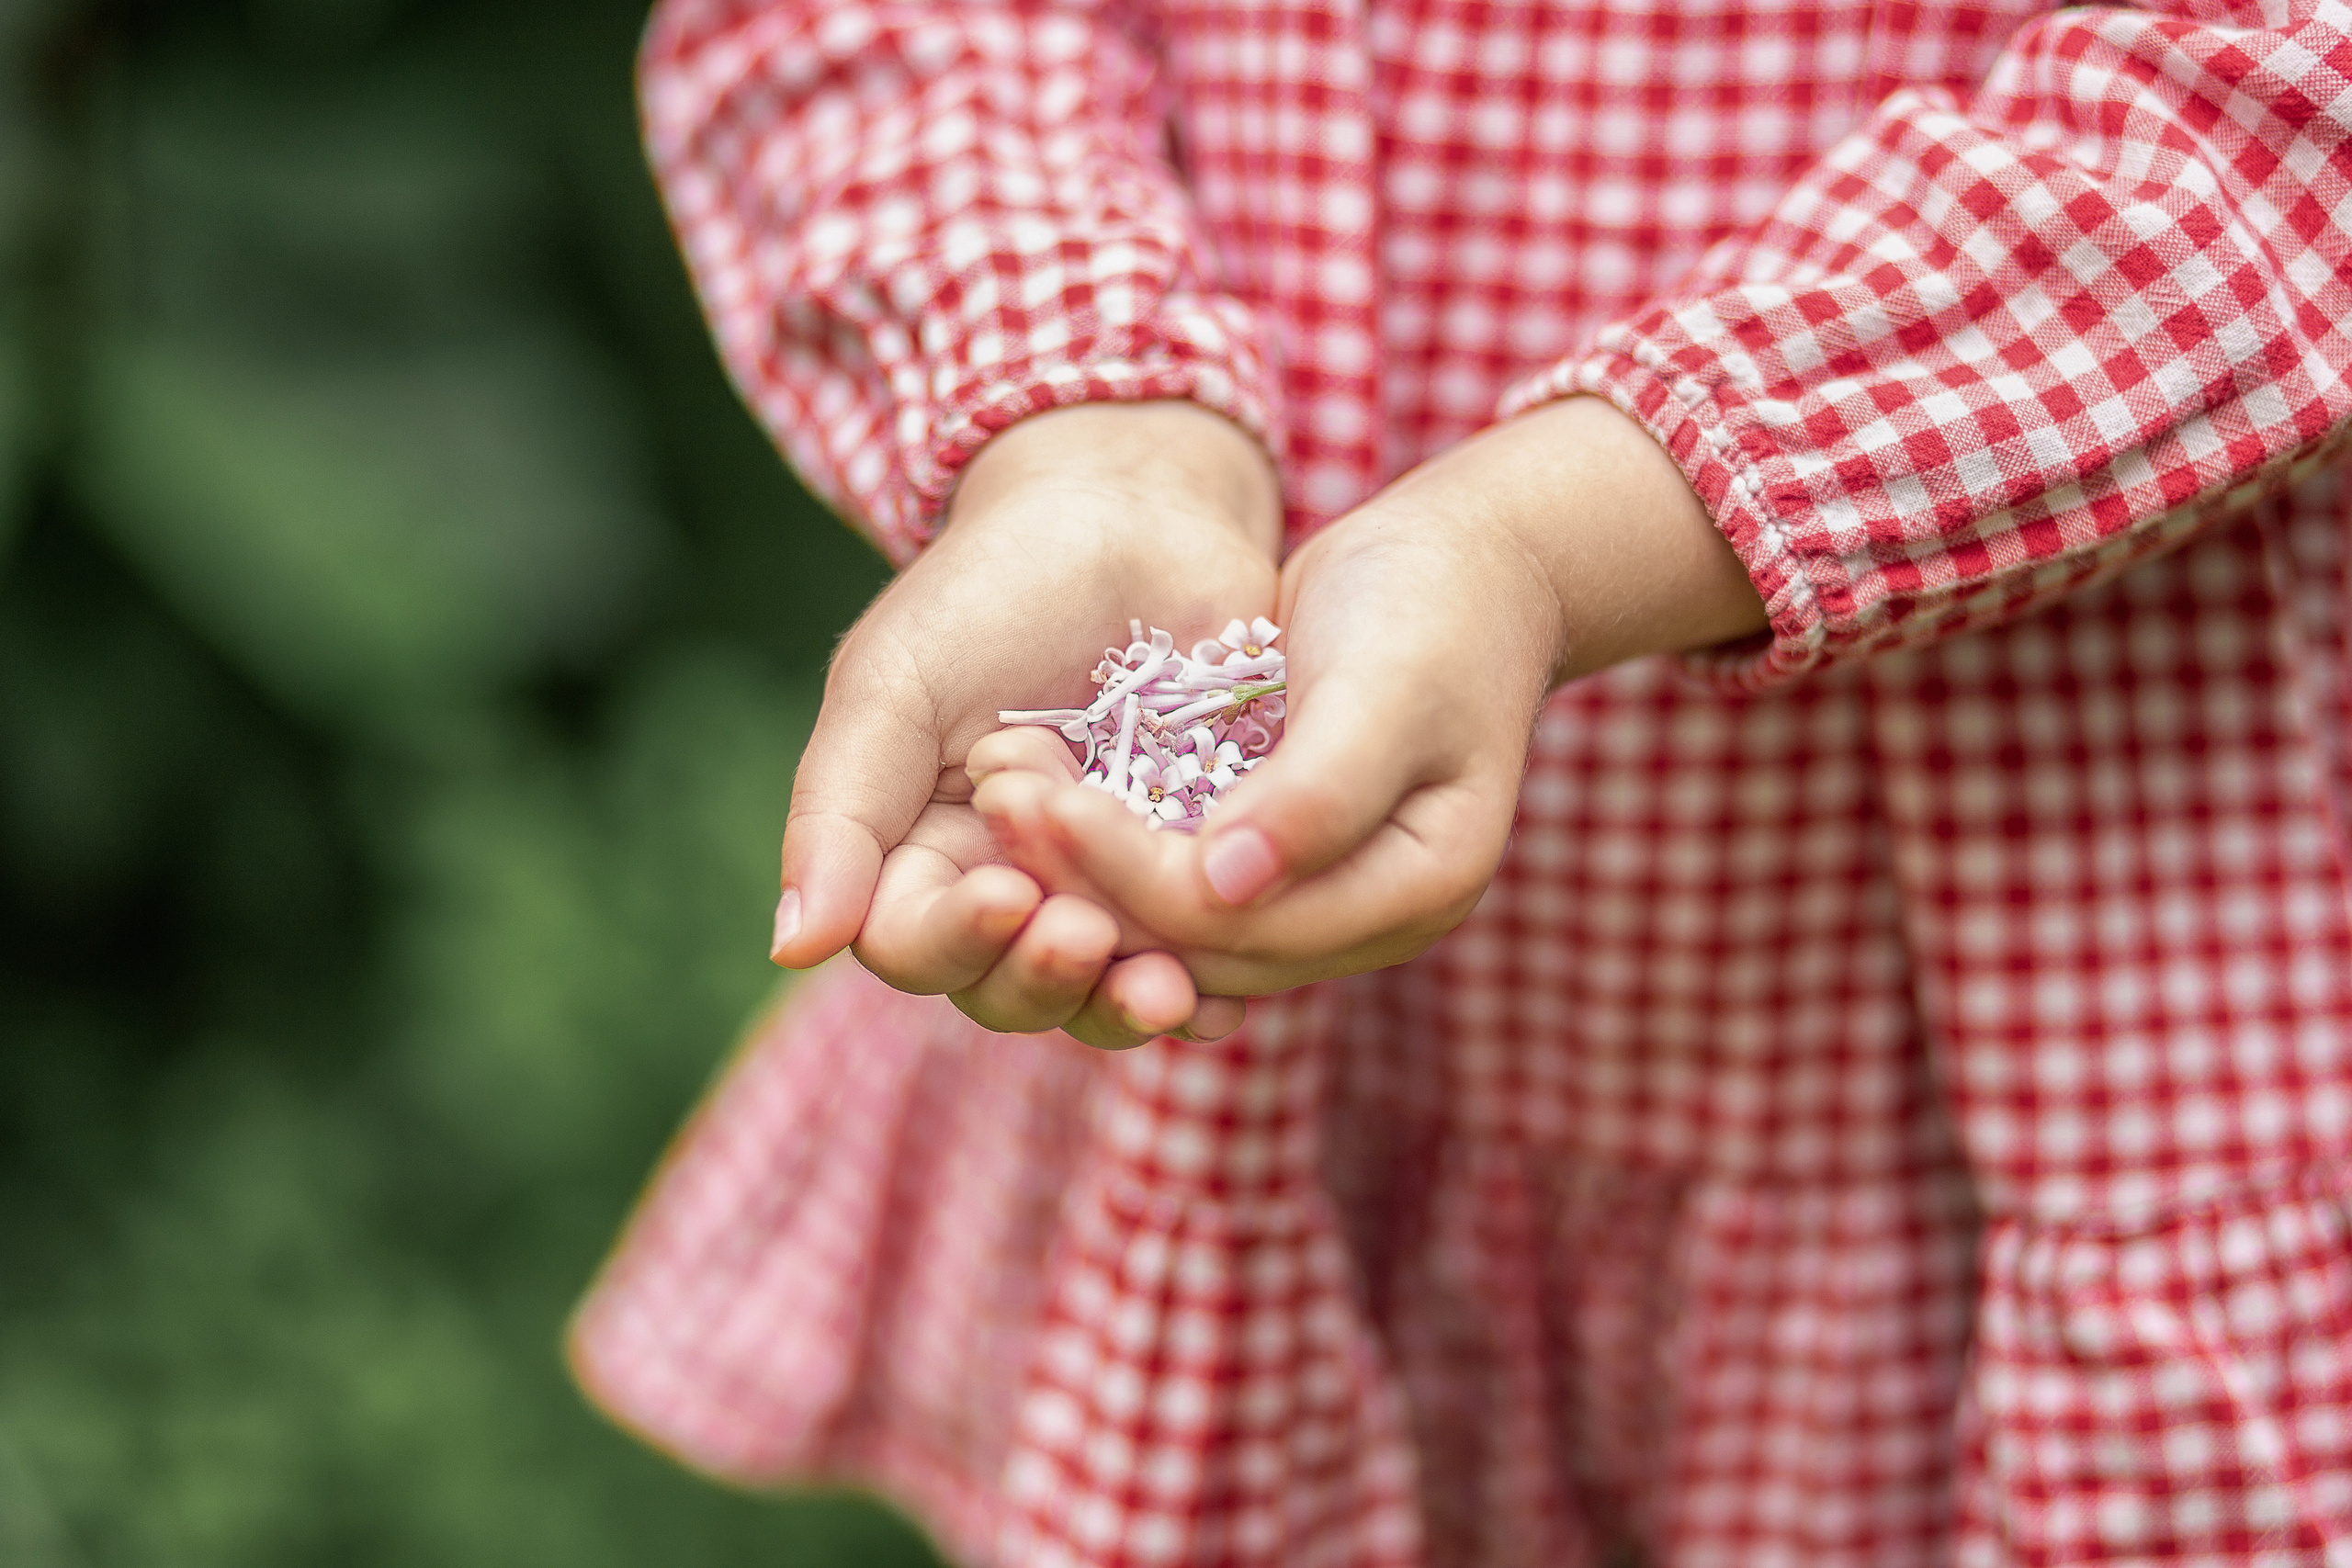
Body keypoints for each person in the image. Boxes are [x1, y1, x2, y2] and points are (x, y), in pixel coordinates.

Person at [572, 0, 2352, 1562]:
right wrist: (1093, 439)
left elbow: (2268, 94)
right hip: (1303, 1097)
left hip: (1965, 1062)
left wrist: (1547, 538)